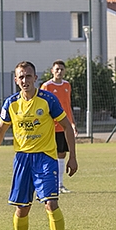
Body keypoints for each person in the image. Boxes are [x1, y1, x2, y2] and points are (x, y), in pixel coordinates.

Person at [0, 61, 78, 230]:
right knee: (21, 207)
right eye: (21, 77)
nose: (25, 80)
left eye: (28, 76)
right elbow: (0, 130)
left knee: (51, 203)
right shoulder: (11, 103)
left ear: (35, 78)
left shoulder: (47, 100)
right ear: (16, 80)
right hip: (22, 160)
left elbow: (66, 127)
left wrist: (72, 156)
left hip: (45, 158)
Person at [40, 60, 77, 193]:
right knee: (50, 155)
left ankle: (60, 184)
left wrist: (72, 123)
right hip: (50, 126)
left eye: (61, 69)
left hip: (63, 126)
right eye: (57, 69)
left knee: (62, 154)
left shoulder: (67, 85)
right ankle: (49, 184)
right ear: (52, 71)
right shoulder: (46, 86)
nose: (59, 72)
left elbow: (68, 106)